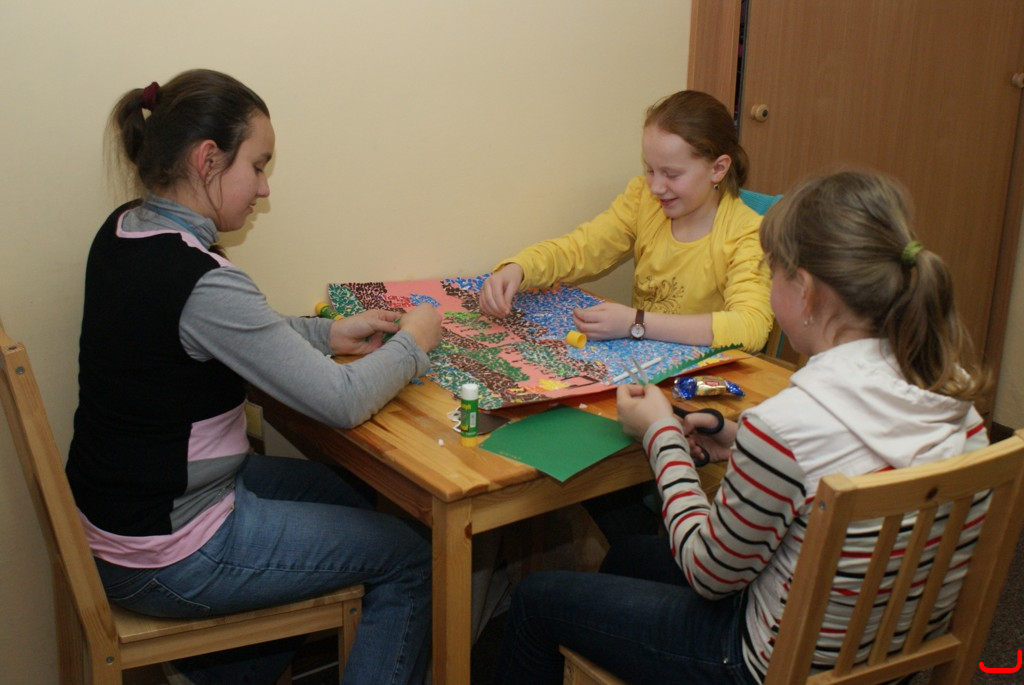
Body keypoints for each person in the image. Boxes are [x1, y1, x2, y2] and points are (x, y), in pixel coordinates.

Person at [494, 169, 990, 684]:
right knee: (630, 557)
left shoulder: (787, 425)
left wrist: (662, 436)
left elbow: (708, 574)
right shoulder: (958, 407)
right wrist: (738, 445)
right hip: (877, 650)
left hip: (763, 664)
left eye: (771, 274)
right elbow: (836, 463)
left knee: (536, 600)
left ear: (805, 291)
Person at [66, 69, 442, 685]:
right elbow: (342, 400)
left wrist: (326, 334)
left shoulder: (127, 229)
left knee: (354, 494)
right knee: (410, 558)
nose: (264, 189)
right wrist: (415, 341)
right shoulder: (202, 279)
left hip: (120, 516)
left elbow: (232, 333)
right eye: (258, 166)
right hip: (169, 550)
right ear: (207, 159)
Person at [478, 90, 773, 355]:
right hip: (645, 366)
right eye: (650, 170)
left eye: (671, 174)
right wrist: (520, 268)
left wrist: (637, 322)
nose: (656, 187)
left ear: (718, 169)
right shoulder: (643, 200)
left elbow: (751, 328)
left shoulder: (748, 232)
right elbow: (582, 248)